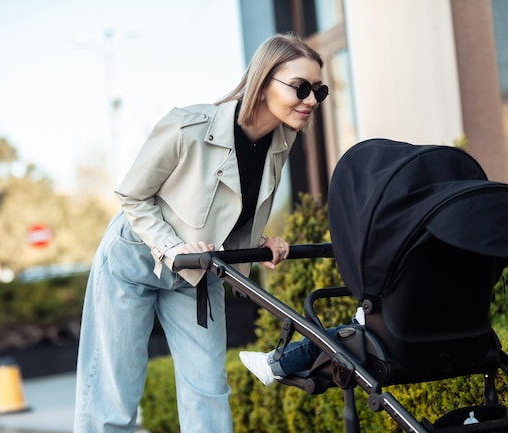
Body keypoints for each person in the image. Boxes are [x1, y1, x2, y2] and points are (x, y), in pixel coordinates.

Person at [73, 33, 328, 433]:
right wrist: (175, 248)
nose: (311, 99)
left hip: (200, 269)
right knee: (115, 395)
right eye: (301, 87)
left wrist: (259, 243)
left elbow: (230, 210)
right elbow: (133, 196)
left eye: (318, 90)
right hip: (133, 260)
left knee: (208, 392)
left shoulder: (281, 141)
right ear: (263, 82)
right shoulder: (188, 126)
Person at [239, 307, 365, 386]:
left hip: (366, 328)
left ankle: (271, 365)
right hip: (369, 324)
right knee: (323, 343)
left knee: (317, 345)